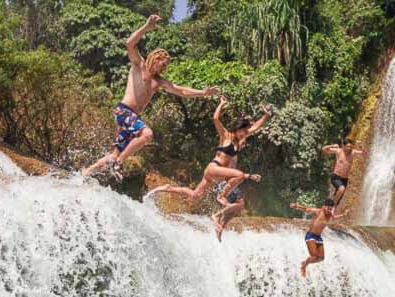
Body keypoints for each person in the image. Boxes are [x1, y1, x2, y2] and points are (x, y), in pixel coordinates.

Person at [83, 14, 219, 177]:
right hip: (123, 111)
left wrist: (204, 93)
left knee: (113, 154)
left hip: (131, 118)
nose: (164, 68)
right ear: (156, 59)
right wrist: (146, 27)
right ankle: (118, 165)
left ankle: (85, 173)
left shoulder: (159, 81)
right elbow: (130, 43)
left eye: (166, 66)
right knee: (147, 134)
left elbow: (181, 91)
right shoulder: (139, 65)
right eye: (163, 64)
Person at [150, 96, 270, 228]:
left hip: (216, 175)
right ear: (237, 128)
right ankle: (221, 196)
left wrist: (265, 115)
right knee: (240, 175)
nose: (244, 134)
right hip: (214, 167)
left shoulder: (241, 139)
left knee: (195, 195)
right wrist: (221, 104)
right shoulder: (226, 135)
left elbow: (255, 128)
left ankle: (168, 188)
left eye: (246, 132)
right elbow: (215, 119)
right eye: (243, 131)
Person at [289, 198, 348, 277]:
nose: (329, 210)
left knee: (321, 258)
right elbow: (306, 209)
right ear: (324, 206)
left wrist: (343, 215)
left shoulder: (330, 214)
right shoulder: (319, 211)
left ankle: (305, 262)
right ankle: (303, 267)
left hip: (318, 237)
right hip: (310, 236)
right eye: (328, 208)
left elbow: (334, 218)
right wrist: (296, 206)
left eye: (330, 209)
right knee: (314, 255)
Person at [321, 139, 366, 207]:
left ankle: (331, 207)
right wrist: (333, 145)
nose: (349, 148)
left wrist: (360, 145)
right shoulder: (338, 151)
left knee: (338, 198)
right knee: (341, 189)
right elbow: (324, 149)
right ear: (343, 146)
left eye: (350, 147)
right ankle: (333, 205)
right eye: (347, 146)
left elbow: (364, 154)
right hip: (336, 177)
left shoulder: (353, 153)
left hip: (345, 179)